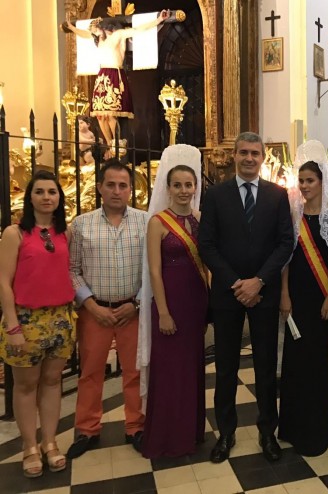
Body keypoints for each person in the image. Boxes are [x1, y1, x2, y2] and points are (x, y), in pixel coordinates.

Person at [199, 132, 294, 463]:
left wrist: (259, 282)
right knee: (225, 367)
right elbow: (206, 245)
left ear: (263, 157)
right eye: (244, 153)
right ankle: (226, 432)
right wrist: (237, 283)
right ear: (235, 156)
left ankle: (268, 433)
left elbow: (285, 243)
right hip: (228, 295)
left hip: (263, 295)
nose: (249, 158)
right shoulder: (215, 195)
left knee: (266, 366)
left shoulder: (277, 195)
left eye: (255, 153)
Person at [67, 159, 148, 459]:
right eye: (111, 184)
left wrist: (136, 301)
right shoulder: (82, 224)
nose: (117, 190)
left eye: (123, 185)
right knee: (89, 373)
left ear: (130, 189)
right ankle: (87, 430)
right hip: (94, 311)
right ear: (100, 187)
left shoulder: (144, 221)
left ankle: (135, 426)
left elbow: (153, 269)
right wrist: (90, 304)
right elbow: (72, 270)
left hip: (132, 310)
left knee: (134, 372)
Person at [0, 171, 75, 478]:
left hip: (60, 317)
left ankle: (50, 442)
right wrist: (13, 327)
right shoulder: (14, 233)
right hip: (26, 318)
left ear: (59, 198)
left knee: (53, 382)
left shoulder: (64, 232)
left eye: (52, 192)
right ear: (30, 197)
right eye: (40, 192)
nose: (47, 197)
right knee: (26, 385)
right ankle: (30, 446)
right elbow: (4, 282)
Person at [138, 145, 207, 458]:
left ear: (195, 188)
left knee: (192, 368)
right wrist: (163, 312)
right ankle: (167, 438)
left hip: (195, 303)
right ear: (167, 188)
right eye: (177, 185)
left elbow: (207, 263)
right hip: (170, 303)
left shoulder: (200, 219)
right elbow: (154, 270)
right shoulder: (158, 223)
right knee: (169, 371)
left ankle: (190, 432)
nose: (183, 190)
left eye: (188, 185)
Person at [278, 140, 328, 456]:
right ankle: (291, 427)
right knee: (293, 362)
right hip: (297, 298)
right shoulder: (294, 214)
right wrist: (285, 295)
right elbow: (287, 260)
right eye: (301, 181)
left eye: (310, 181)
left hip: (322, 298)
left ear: (322, 182)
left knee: (315, 362)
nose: (304, 186)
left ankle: (317, 431)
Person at [63, 10, 168, 144]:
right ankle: (108, 143)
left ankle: (116, 143)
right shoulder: (100, 39)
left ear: (104, 27)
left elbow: (138, 29)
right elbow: (84, 35)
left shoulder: (118, 35)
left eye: (96, 28)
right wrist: (72, 28)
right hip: (102, 76)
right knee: (101, 115)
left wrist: (158, 20)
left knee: (111, 113)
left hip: (114, 74)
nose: (94, 31)